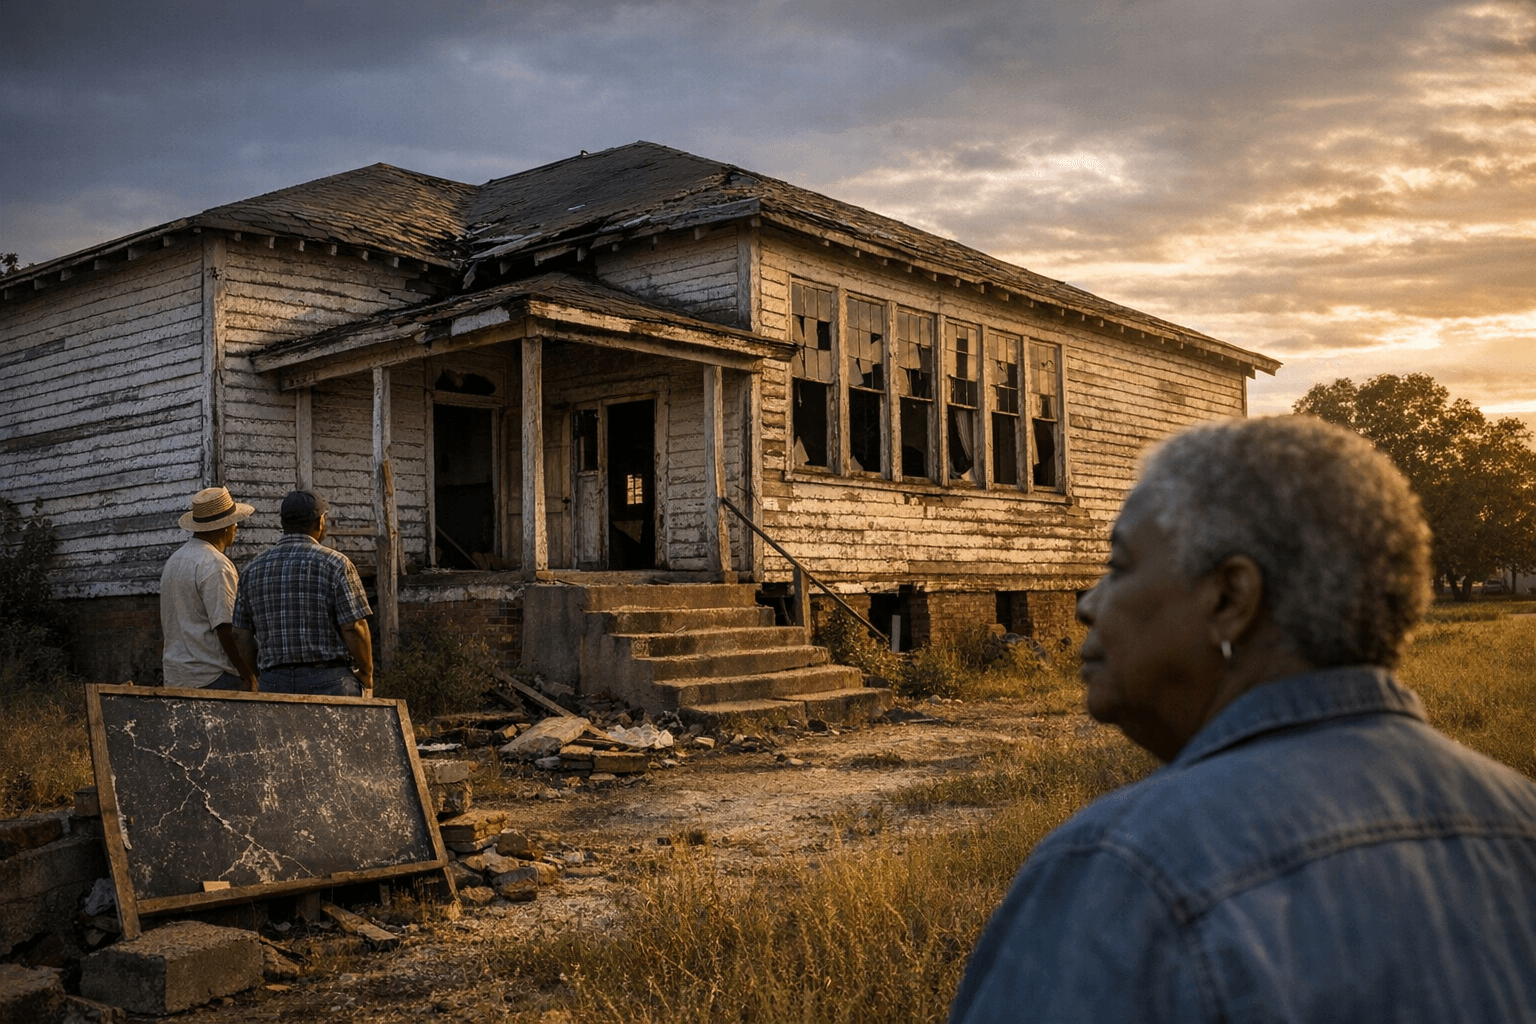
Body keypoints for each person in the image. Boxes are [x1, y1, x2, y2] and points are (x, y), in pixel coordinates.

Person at [948, 416, 1536, 1024]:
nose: (1087, 605)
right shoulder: (1521, 821)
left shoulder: (1127, 869)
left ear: (1230, 598)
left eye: (1119, 566)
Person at [232, 489, 374, 697]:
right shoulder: (337, 564)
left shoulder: (251, 570)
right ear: (320, 522)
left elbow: (240, 634)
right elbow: (353, 627)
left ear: (283, 523)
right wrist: (366, 672)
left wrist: (262, 676)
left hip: (274, 681)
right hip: (330, 681)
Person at [160, 486, 259, 690]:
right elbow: (228, 630)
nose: (236, 527)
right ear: (225, 527)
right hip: (212, 676)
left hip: (176, 675)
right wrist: (246, 673)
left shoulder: (174, 561)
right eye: (234, 523)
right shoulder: (216, 564)